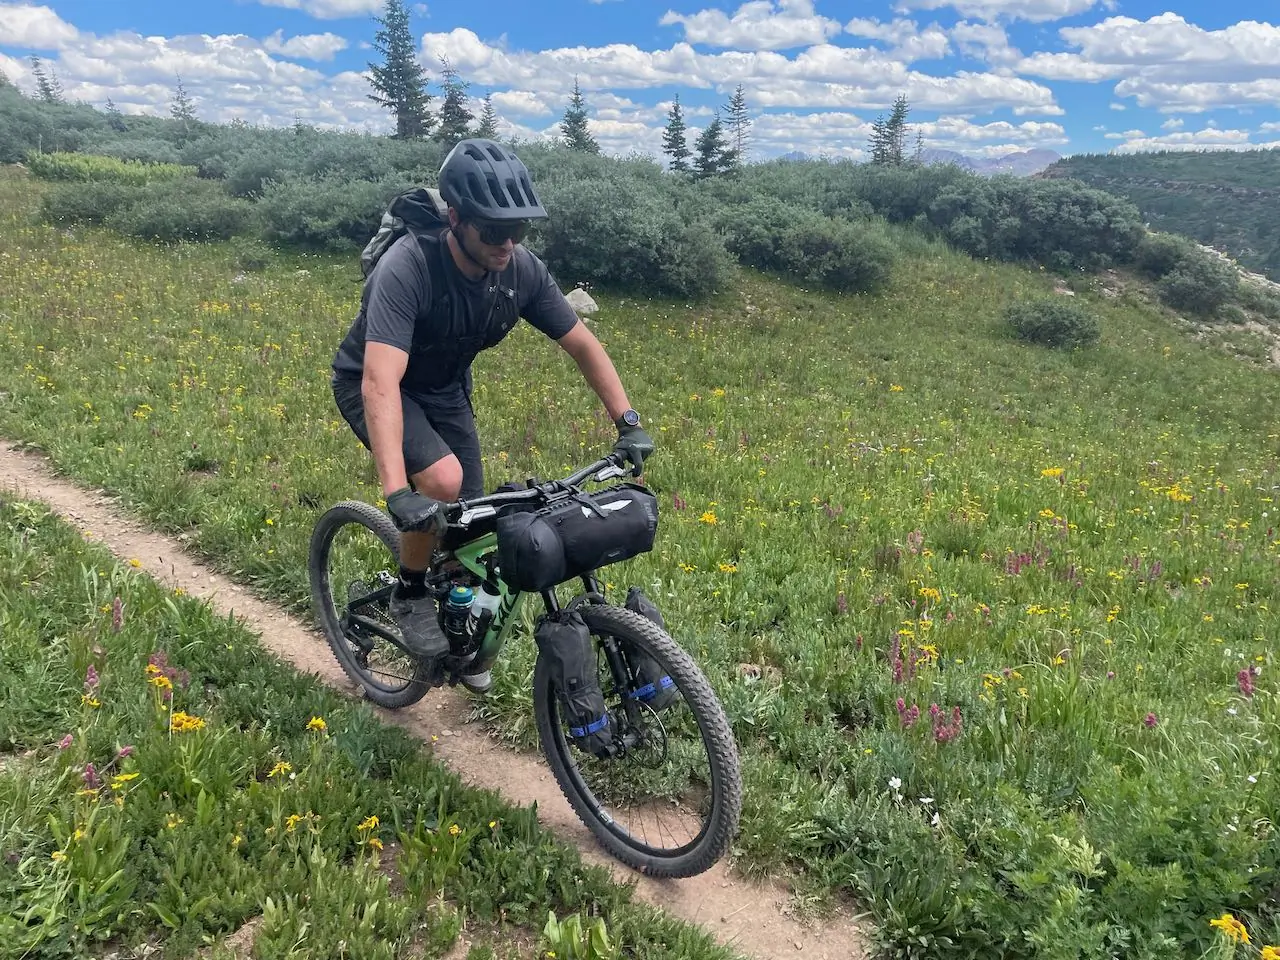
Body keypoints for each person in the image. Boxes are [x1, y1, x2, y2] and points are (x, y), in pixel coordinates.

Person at [330, 138, 654, 692]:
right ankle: (409, 593)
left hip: (446, 389)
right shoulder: (408, 267)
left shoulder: (520, 272)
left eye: (519, 230)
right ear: (455, 219)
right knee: (443, 483)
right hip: (376, 384)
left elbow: (582, 344)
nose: (507, 243)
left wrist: (627, 421)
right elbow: (379, 382)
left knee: (471, 529)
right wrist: (396, 491)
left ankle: (461, 643)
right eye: (493, 230)